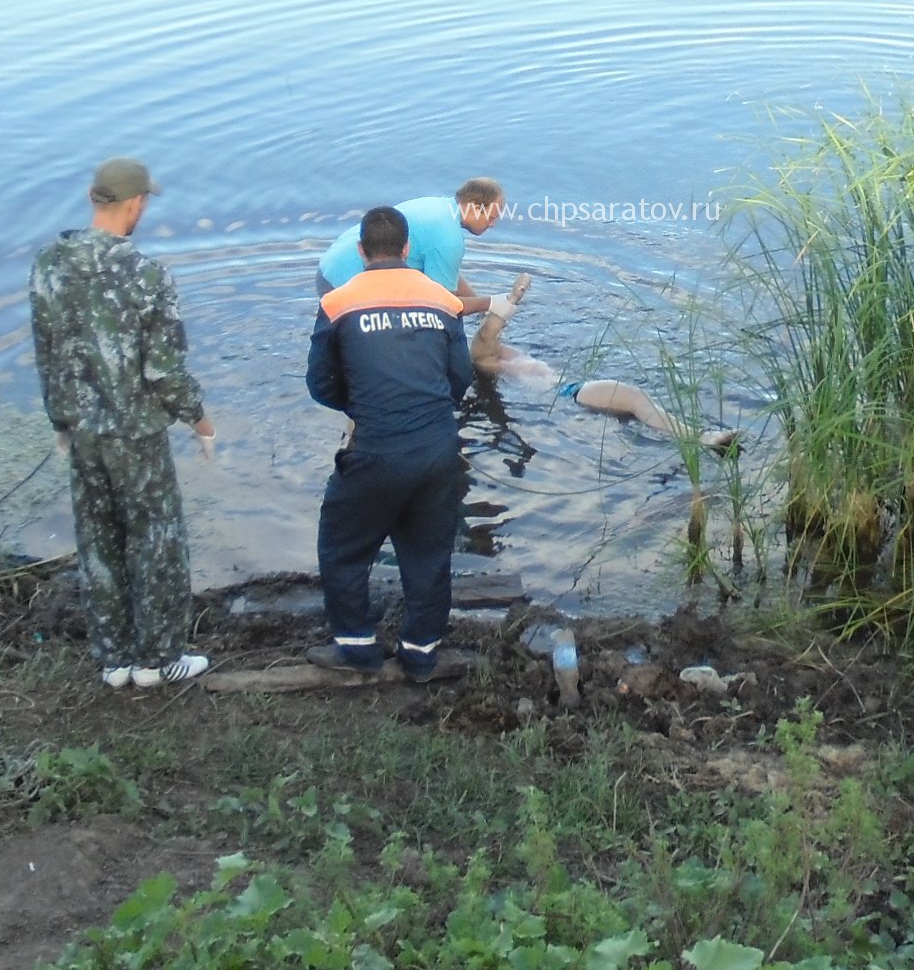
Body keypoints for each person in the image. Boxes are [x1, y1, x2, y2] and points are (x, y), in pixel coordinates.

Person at [29, 157, 216, 691]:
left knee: (98, 541)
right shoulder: (145, 274)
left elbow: (47, 350)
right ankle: (158, 659)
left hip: (83, 432)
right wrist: (200, 421)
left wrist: (60, 421)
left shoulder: (47, 264)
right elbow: (164, 371)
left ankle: (114, 660)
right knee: (155, 540)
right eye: (144, 203)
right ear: (136, 204)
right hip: (136, 435)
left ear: (94, 200)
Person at [306, 204, 473, 680]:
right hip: (439, 448)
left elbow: (320, 384)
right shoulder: (443, 301)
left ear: (361, 252)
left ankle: (358, 649)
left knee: (342, 548)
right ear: (405, 249)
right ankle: (420, 654)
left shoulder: (338, 303)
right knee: (428, 552)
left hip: (375, 449)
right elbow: (459, 379)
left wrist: (364, 406)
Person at [470, 275, 738, 452]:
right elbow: (486, 333)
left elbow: (488, 328)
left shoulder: (503, 354)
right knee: (636, 399)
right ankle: (702, 439)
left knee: (639, 403)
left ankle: (699, 437)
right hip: (571, 392)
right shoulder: (487, 359)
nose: (495, 329)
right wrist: (513, 297)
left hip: (571, 392)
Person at [315, 178, 507, 315]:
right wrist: (490, 304)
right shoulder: (450, 239)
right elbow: (444, 306)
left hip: (328, 269)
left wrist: (482, 313)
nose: (493, 225)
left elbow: (449, 273)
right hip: (348, 285)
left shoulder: (436, 207)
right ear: (474, 207)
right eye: (491, 217)